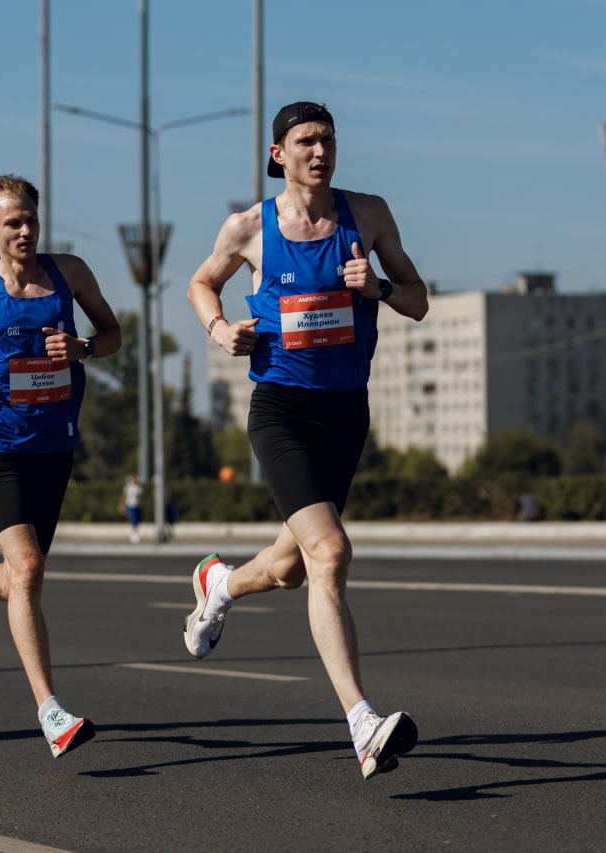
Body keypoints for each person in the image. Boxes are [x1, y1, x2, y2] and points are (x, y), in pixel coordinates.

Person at [182, 102, 429, 781]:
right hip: (282, 410)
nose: (320, 151)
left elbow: (418, 297)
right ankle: (362, 722)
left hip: (346, 413)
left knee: (293, 569)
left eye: (328, 139)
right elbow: (202, 282)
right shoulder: (249, 227)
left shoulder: (369, 215)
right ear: (278, 154)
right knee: (331, 551)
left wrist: (376, 286)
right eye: (305, 141)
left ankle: (220, 583)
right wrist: (219, 328)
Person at [0, 175, 121, 758]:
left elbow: (114, 334)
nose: (25, 231)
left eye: (31, 220)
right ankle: (51, 710)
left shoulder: (71, 273)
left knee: (20, 576)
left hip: (54, 446)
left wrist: (84, 348)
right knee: (30, 569)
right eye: (12, 222)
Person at [119, 474, 144, 543]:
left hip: (137, 506)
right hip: (130, 505)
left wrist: (140, 483)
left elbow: (142, 493)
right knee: (134, 519)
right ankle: (133, 534)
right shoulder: (128, 487)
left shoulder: (138, 488)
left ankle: (133, 531)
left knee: (139, 519)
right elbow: (124, 496)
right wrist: (122, 504)